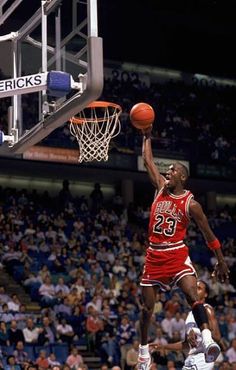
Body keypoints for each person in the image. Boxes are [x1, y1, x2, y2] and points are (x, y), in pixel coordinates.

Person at [137, 126, 230, 370]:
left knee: (192, 294)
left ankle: (208, 340)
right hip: (154, 255)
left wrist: (220, 260)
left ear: (183, 177)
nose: (168, 172)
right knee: (147, 308)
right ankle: (143, 351)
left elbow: (209, 235)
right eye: (167, 170)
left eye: (173, 171)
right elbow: (147, 161)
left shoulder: (192, 204)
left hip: (176, 252)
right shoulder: (159, 188)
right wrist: (146, 135)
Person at [149, 280, 227, 370]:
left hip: (203, 358)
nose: (195, 291)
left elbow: (217, 337)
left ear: (205, 294)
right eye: (194, 288)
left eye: (199, 288)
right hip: (190, 358)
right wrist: (163, 346)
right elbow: (186, 344)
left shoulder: (207, 309)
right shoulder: (190, 314)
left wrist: (197, 331)